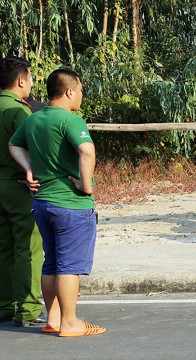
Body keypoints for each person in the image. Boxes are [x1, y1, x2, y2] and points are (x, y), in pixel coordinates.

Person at [9, 69, 106, 336]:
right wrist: (86, 185)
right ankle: (70, 322)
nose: (82, 96)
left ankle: (53, 319)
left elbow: (13, 144)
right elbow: (87, 150)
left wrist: (29, 168)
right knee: (69, 266)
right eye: (81, 90)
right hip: (70, 204)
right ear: (69, 92)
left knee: (51, 262)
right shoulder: (71, 120)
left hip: (42, 203)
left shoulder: (34, 119)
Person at [0, 56, 46, 327]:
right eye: (30, 77)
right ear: (20, 80)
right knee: (28, 246)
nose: (31, 82)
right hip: (18, 186)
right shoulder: (20, 112)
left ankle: (4, 305)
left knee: (3, 246)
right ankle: (27, 309)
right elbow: (36, 150)